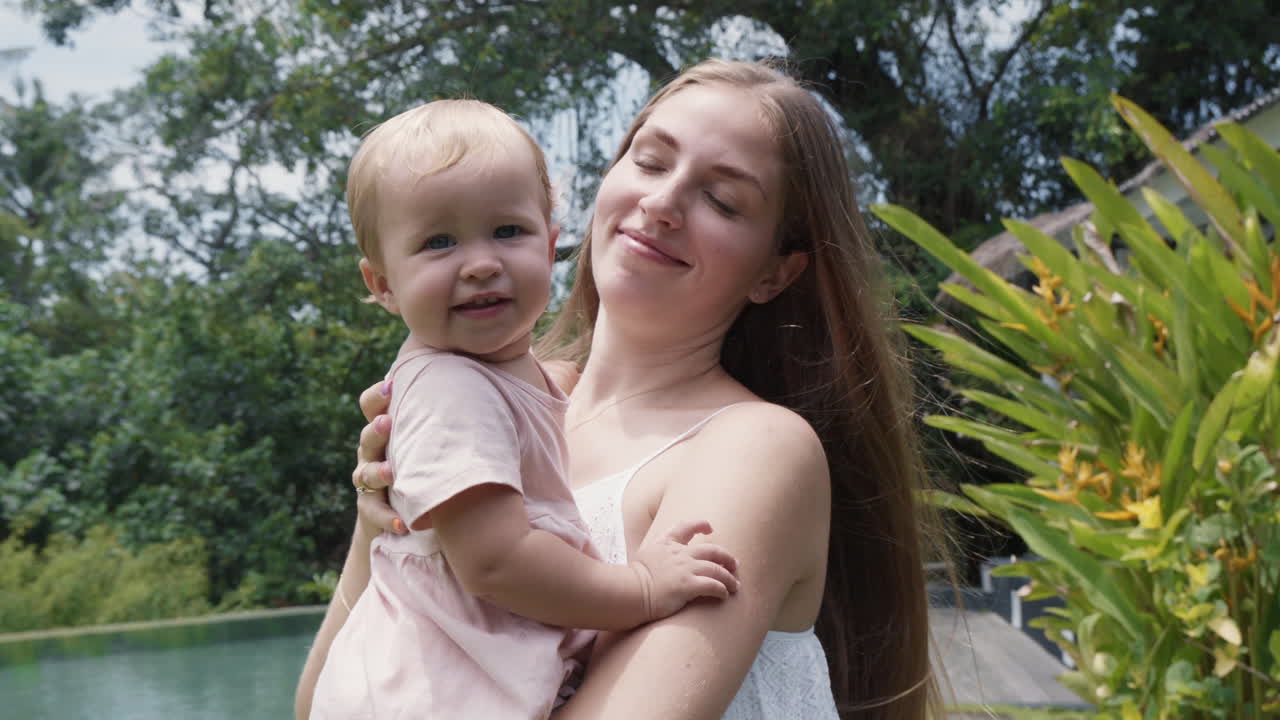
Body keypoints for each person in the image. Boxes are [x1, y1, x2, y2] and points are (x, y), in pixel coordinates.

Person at [305, 59, 939, 719]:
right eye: (649, 162)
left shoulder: (755, 450)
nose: (662, 204)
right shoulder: (478, 401)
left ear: (774, 273)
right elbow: (323, 700)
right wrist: (383, 510)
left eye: (723, 200)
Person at [299, 98, 742, 720]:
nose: (481, 264)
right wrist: (641, 586)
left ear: (551, 243)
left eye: (508, 231)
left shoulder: (519, 382)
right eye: (438, 242)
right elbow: (496, 562)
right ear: (383, 285)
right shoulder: (451, 388)